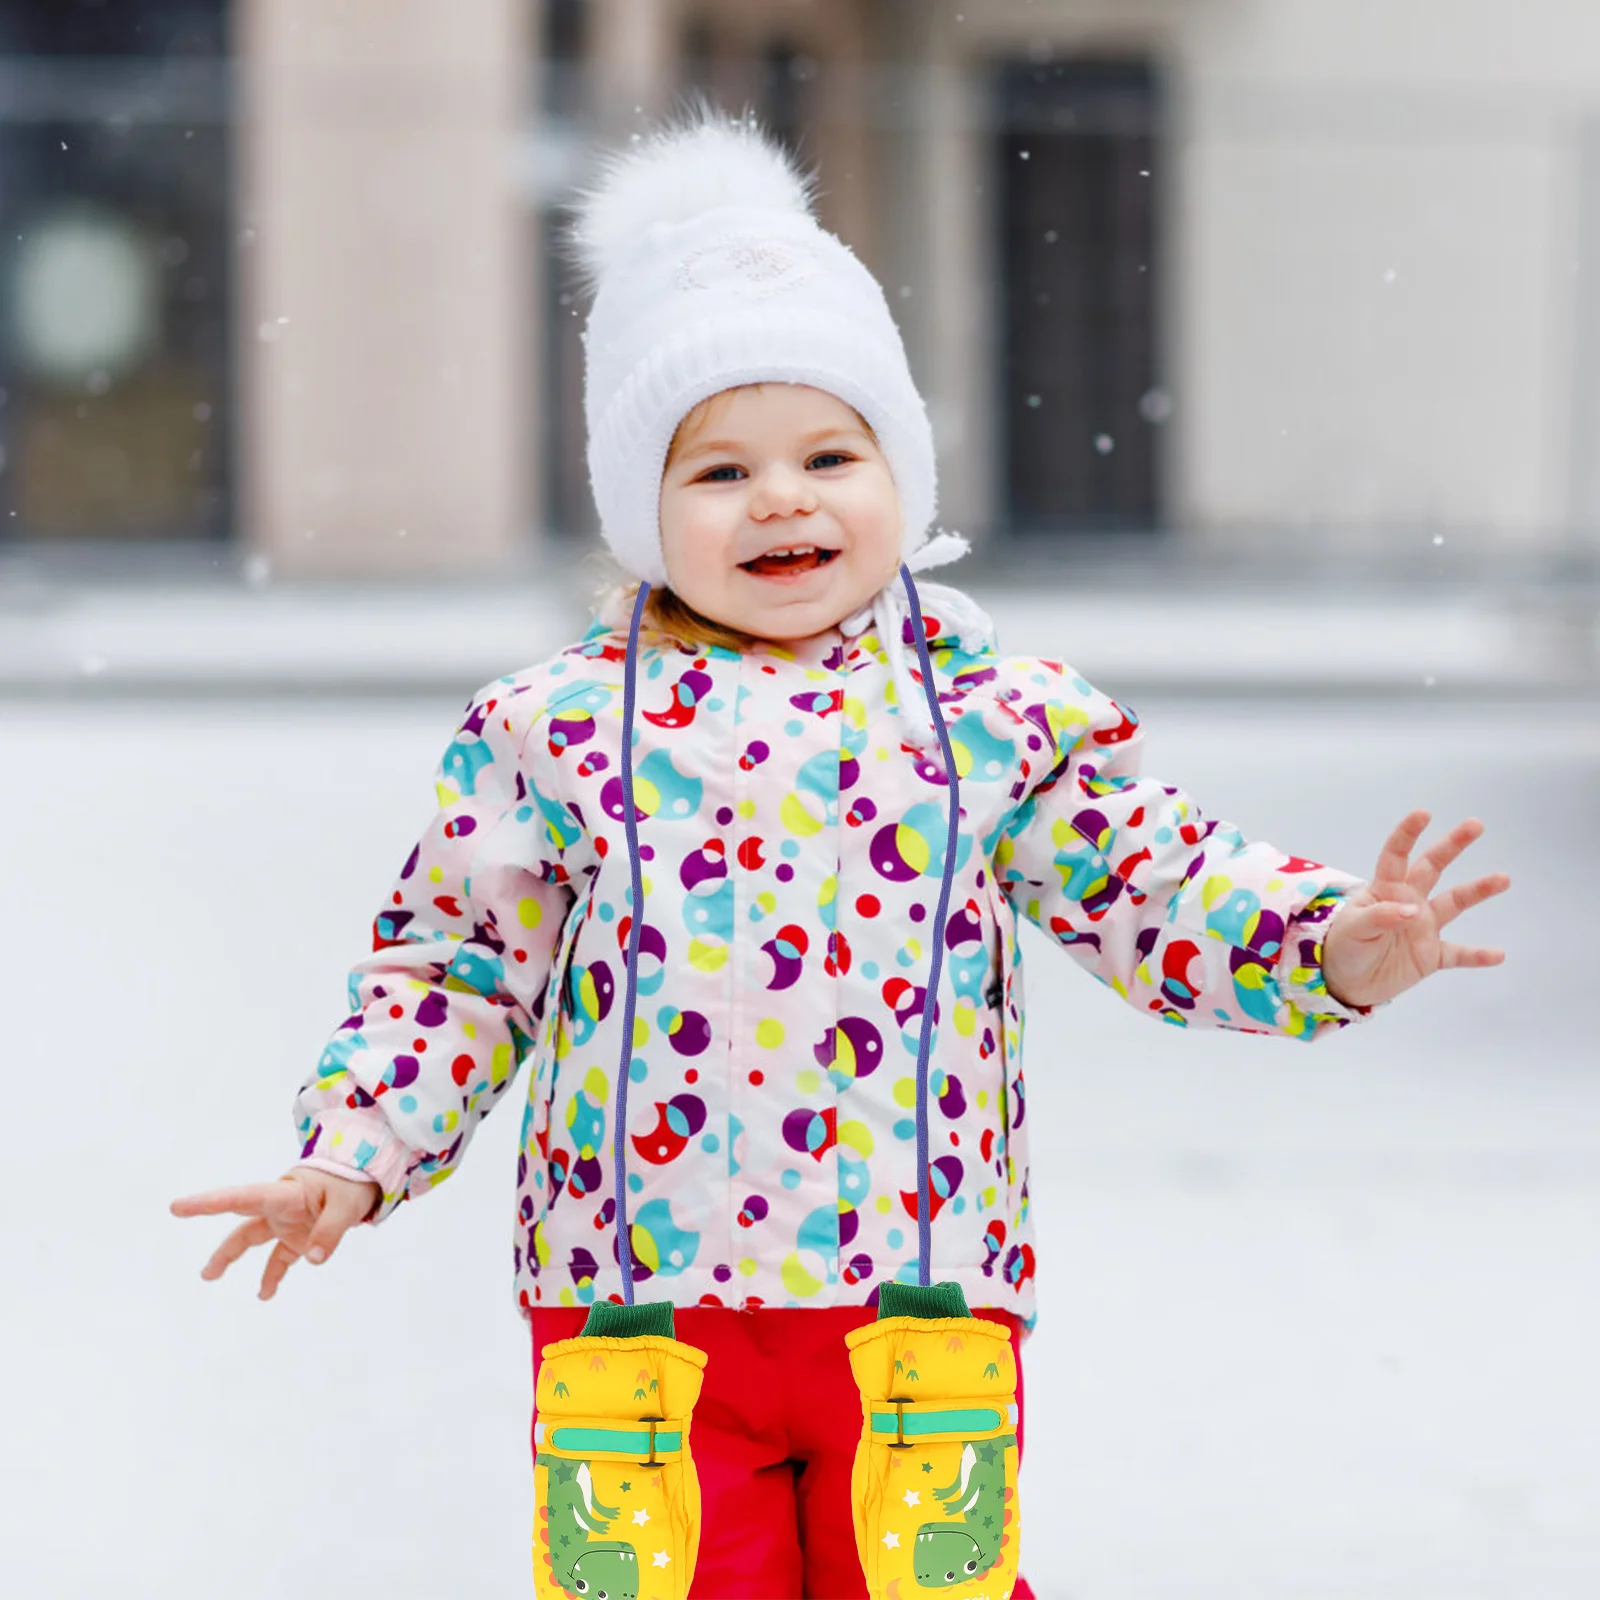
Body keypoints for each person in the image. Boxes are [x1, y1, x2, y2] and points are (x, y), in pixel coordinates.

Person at [171, 108, 1510, 1600]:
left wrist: (1334, 945)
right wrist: (349, 1155)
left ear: (902, 476)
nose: (785, 499)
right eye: (720, 472)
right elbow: (456, 974)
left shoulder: (995, 717)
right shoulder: (550, 731)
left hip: (918, 1303)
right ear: (642, 512)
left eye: (828, 452)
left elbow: (1157, 888)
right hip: (638, 1322)